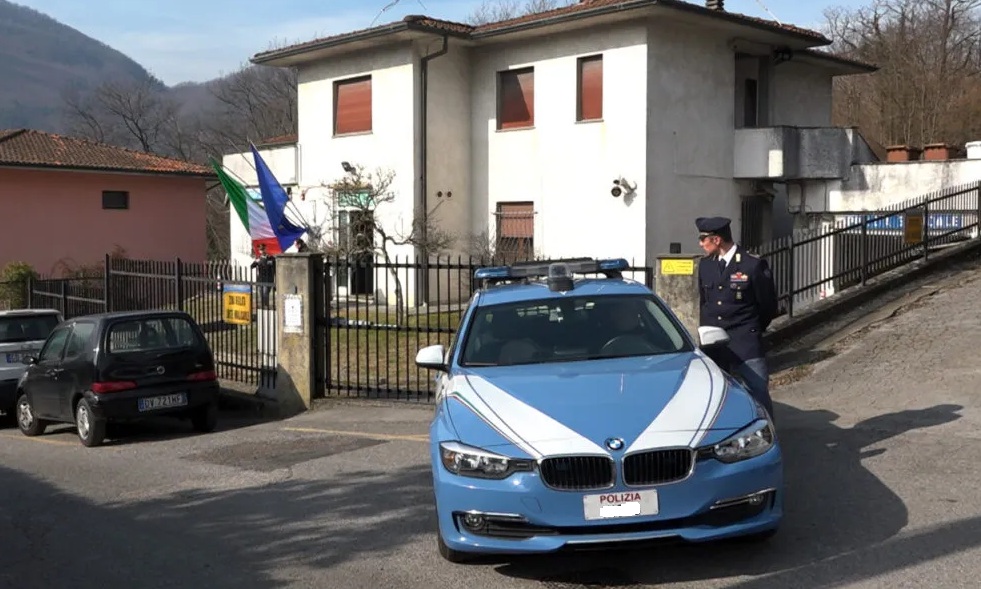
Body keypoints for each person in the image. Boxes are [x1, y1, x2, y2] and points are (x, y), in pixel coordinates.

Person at [695, 216, 778, 420]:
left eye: (703, 238)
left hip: (744, 341)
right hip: (714, 343)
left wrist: (752, 329)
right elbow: (704, 302)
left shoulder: (752, 265)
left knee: (757, 391)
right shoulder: (706, 265)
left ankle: (766, 435)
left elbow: (767, 305)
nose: (700, 244)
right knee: (716, 397)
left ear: (716, 240)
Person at [250, 243, 276, 309]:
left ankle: (265, 307)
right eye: (261, 250)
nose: (262, 251)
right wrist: (256, 261)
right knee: (261, 294)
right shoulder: (258, 259)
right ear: (259, 251)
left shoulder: (271, 258)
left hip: (268, 280)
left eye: (263, 249)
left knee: (265, 294)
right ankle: (263, 307)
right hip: (260, 279)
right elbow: (251, 266)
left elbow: (274, 267)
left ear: (265, 249)